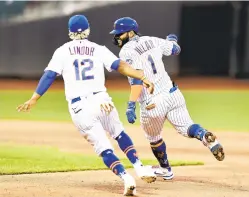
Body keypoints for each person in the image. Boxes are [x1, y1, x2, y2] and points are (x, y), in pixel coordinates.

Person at [17, 15, 157, 196]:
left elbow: (50, 75)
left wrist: (34, 98)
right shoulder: (98, 49)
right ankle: (139, 167)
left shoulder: (62, 51)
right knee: (119, 133)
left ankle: (126, 178)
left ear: (70, 32)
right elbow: (121, 66)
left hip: (80, 107)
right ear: (88, 30)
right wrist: (143, 77)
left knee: (104, 147)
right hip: (102, 100)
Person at [109, 17, 225, 180]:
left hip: (153, 102)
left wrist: (131, 104)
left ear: (130, 32)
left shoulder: (127, 51)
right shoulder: (152, 40)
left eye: (119, 34)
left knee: (153, 137)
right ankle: (205, 136)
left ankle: (166, 170)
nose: (116, 37)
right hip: (173, 93)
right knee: (187, 127)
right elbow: (175, 49)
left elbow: (137, 79)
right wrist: (171, 39)